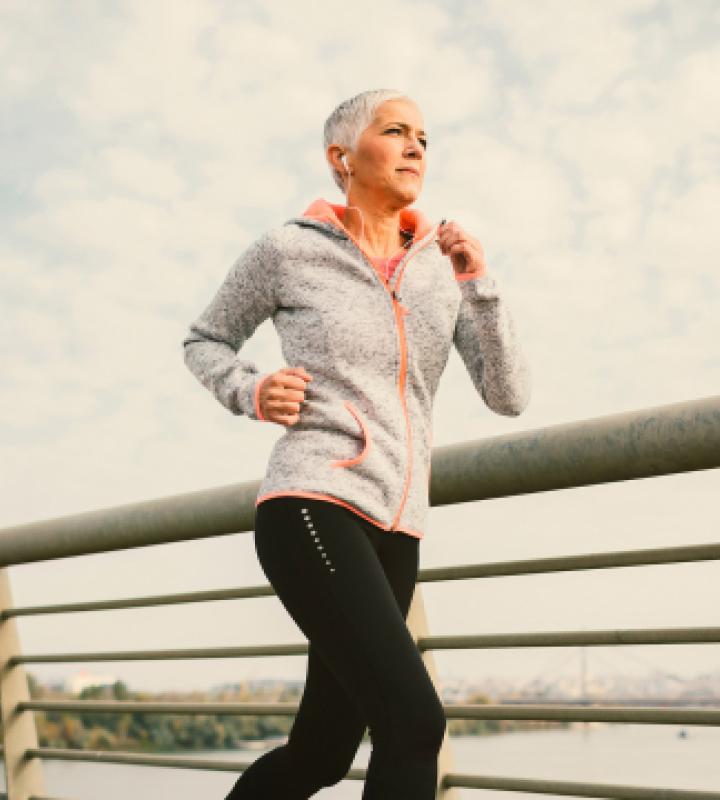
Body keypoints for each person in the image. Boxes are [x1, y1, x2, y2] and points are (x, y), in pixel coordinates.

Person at [182, 88, 531, 799]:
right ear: (341, 157)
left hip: (398, 529)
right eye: (396, 131)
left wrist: (479, 283)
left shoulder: (438, 266)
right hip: (313, 503)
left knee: (323, 752)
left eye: (425, 138)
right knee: (412, 722)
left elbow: (507, 393)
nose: (416, 148)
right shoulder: (289, 250)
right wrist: (250, 390)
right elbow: (205, 339)